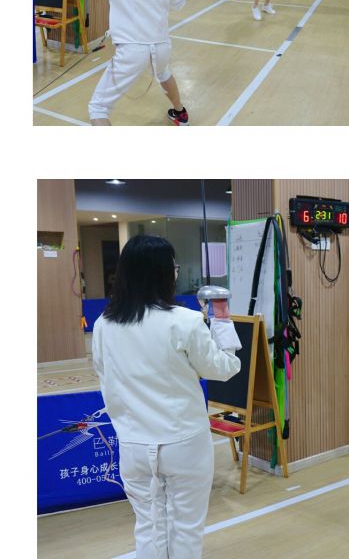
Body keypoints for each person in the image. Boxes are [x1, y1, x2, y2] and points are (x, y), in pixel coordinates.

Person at [92, 236, 242, 558]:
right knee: (186, 528)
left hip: (133, 444)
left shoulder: (104, 324)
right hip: (184, 441)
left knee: (148, 527)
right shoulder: (184, 321)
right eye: (174, 267)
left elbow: (104, 376)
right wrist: (222, 320)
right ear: (162, 273)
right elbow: (224, 368)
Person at [59, 0, 190, 126]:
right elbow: (178, 4)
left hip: (131, 52)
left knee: (98, 108)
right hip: (161, 48)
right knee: (163, 73)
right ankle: (180, 113)